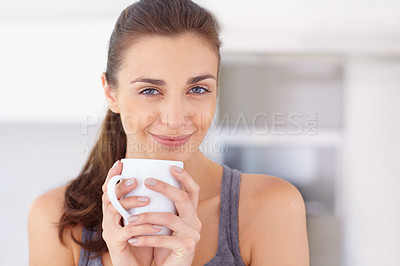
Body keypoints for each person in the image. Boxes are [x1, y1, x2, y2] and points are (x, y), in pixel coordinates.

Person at [28, 0, 309, 265]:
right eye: (150, 90)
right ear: (110, 93)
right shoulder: (56, 219)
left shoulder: (271, 208)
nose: (175, 118)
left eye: (197, 89)